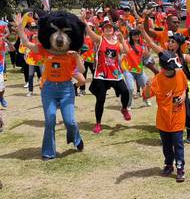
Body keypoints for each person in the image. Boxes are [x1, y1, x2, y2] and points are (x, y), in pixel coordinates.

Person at [15, 13, 85, 160]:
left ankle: (76, 138)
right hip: (49, 89)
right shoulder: (44, 50)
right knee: (50, 120)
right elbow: (27, 44)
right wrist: (20, 28)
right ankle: (48, 152)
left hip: (66, 89)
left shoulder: (71, 54)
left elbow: (82, 71)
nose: (59, 39)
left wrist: (77, 57)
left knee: (70, 121)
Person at [138, 24, 190, 144]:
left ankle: (189, 131)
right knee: (168, 112)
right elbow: (151, 43)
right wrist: (142, 31)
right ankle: (169, 133)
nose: (170, 43)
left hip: (181, 89)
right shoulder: (164, 54)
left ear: (178, 44)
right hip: (167, 90)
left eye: (173, 41)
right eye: (169, 41)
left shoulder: (183, 56)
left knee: (187, 113)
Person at [81, 13, 131, 134]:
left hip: (115, 73)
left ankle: (124, 109)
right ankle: (98, 123)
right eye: (106, 28)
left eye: (110, 27)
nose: (108, 29)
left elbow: (126, 51)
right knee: (101, 99)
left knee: (125, 91)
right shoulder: (100, 39)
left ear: (113, 30)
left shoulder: (117, 42)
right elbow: (89, 32)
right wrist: (83, 20)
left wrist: (122, 39)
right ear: (103, 30)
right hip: (101, 74)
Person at [144, 51, 188, 183]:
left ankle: (180, 168)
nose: (172, 71)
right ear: (163, 68)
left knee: (178, 144)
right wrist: (147, 86)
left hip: (178, 117)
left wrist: (183, 97)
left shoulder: (180, 73)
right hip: (163, 119)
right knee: (166, 145)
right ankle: (169, 164)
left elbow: (185, 87)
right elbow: (146, 96)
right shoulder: (157, 80)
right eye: (170, 69)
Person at [121, 29, 150, 109]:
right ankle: (128, 104)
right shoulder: (127, 43)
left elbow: (146, 55)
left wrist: (146, 46)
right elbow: (124, 50)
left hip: (139, 70)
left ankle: (146, 99)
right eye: (135, 34)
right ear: (131, 36)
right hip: (129, 70)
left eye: (138, 34)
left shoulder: (142, 44)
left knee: (146, 85)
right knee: (130, 88)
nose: (137, 36)